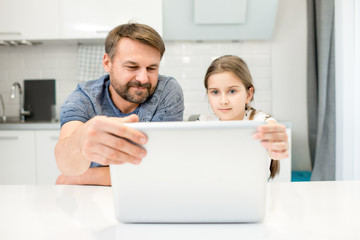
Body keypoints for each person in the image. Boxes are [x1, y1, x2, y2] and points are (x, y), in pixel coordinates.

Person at [55, 23, 184, 186]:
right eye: (132, 67)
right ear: (107, 63)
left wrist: (82, 177)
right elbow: (64, 163)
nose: (143, 78)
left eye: (151, 68)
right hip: (94, 199)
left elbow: (163, 168)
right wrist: (81, 139)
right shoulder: (83, 98)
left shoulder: (167, 91)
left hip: (149, 194)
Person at [199, 55, 289, 179]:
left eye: (232, 91)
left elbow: (271, 128)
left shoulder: (260, 122)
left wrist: (275, 145)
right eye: (215, 92)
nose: (223, 101)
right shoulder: (204, 123)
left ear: (248, 94)